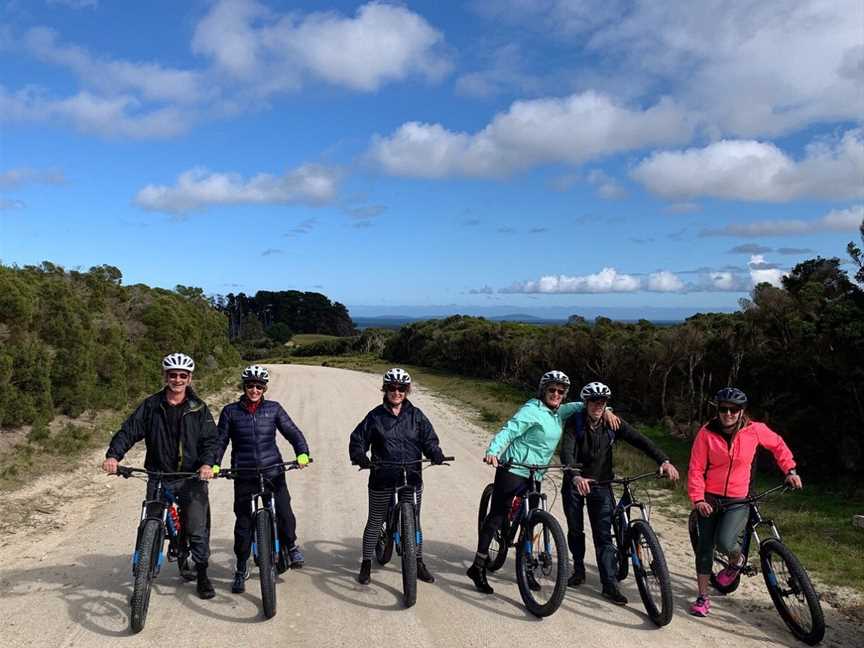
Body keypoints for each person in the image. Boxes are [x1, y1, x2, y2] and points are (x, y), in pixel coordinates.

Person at [467, 370, 620, 595]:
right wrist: (493, 450)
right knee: (498, 514)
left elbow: (587, 404)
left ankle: (527, 567)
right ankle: (478, 566)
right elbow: (509, 431)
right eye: (552, 390)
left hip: (536, 474)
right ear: (543, 391)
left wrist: (606, 410)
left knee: (531, 521)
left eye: (560, 391)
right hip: (514, 469)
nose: (556, 394)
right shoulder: (531, 410)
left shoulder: (560, 412)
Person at [102, 352, 218, 599]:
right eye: (173, 375)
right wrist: (114, 456)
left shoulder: (198, 408)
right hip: (158, 474)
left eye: (182, 376)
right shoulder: (151, 406)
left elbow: (211, 440)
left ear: (189, 378)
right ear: (165, 376)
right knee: (148, 524)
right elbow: (129, 431)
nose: (177, 379)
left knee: (196, 528)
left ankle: (203, 574)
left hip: (190, 476)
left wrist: (207, 463)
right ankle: (142, 574)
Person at [560, 381, 679, 605]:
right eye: (594, 401)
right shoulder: (574, 423)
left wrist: (663, 460)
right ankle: (578, 568)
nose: (598, 405)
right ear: (585, 402)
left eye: (602, 402)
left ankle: (609, 585)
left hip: (601, 484)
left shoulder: (612, 424)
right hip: (575, 482)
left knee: (603, 535)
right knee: (575, 529)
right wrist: (575, 476)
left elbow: (640, 440)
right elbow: (566, 453)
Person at [687, 387, 801, 617]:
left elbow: (778, 445)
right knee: (705, 546)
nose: (728, 414)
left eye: (734, 410)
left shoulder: (754, 430)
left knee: (726, 542)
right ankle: (702, 596)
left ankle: (736, 561)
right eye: (723, 409)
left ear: (742, 411)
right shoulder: (706, 433)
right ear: (717, 410)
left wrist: (790, 470)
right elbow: (696, 469)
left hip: (739, 497)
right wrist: (698, 498)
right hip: (710, 497)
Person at [215, 365, 310, 594]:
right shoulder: (230, 412)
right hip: (244, 474)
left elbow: (293, 432)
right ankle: (240, 567)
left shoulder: (274, 409)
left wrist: (302, 452)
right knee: (243, 524)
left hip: (273, 471)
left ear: (264, 388)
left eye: (259, 386)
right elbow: (220, 441)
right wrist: (215, 463)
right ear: (244, 387)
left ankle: (291, 545)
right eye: (250, 386)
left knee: (285, 512)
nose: (254, 390)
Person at [349, 368, 447, 586]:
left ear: (407, 390)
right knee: (375, 519)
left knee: (414, 521)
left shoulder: (416, 415)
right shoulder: (375, 416)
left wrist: (435, 453)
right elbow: (358, 439)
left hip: (411, 475)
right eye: (392, 388)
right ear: (385, 389)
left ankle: (418, 561)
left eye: (401, 388)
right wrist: (360, 456)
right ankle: (366, 563)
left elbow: (429, 439)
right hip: (382, 474)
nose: (396, 392)